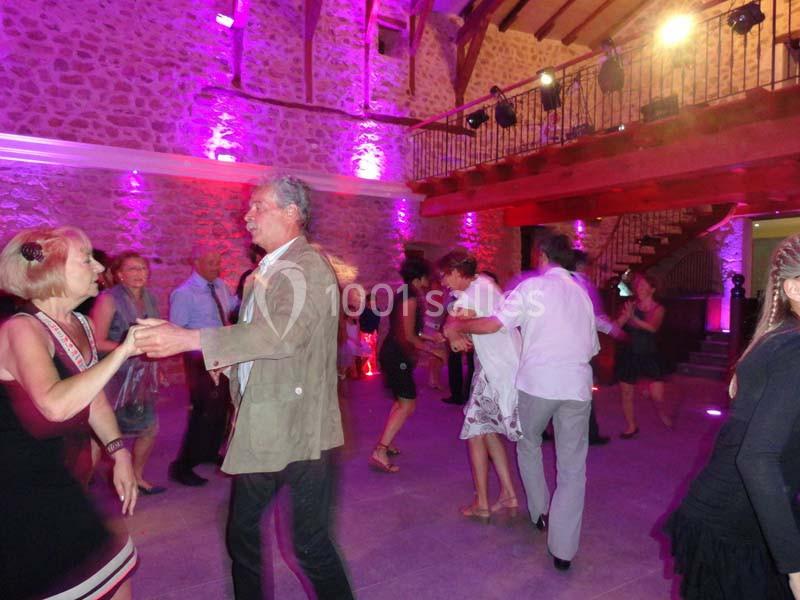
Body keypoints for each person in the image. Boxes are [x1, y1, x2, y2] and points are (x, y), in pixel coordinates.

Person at [134, 176, 353, 600]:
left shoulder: (307, 267)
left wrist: (190, 338)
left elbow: (280, 336)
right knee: (243, 535)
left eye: (258, 206)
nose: (247, 215)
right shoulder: (262, 274)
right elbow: (262, 339)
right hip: (263, 421)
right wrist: (233, 362)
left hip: (300, 429)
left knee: (307, 545)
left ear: (291, 213)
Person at [0, 226, 140, 599]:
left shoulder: (79, 323)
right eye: (86, 259)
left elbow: (92, 397)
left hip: (55, 473)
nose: (99, 267)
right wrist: (124, 350)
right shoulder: (22, 329)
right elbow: (56, 404)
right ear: (52, 272)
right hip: (17, 487)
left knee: (115, 572)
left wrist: (118, 451)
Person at [444, 233, 598, 571]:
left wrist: (458, 324)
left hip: (538, 384)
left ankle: (539, 512)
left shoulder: (532, 288)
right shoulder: (581, 294)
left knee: (528, 445)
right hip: (576, 387)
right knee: (573, 470)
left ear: (541, 256)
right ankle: (563, 551)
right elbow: (591, 346)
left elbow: (494, 324)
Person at [665, 234, 800, 599]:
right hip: (736, 522)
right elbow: (757, 457)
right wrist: (794, 566)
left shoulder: (781, 337)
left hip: (745, 513)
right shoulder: (793, 347)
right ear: (793, 288)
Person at [438, 249, 521, 523]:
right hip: (496, 368)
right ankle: (508, 494)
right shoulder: (480, 285)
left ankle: (482, 504)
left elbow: (455, 322)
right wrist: (453, 332)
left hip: (498, 370)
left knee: (475, 433)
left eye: (445, 275)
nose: (443, 282)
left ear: (456, 272)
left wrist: (453, 332)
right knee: (486, 432)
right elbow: (452, 321)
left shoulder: (476, 292)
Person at [91, 251, 165, 494]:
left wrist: (158, 366)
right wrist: (128, 349)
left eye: (142, 268)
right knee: (102, 434)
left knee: (149, 428)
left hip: (142, 375)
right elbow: (96, 342)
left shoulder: (151, 298)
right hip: (113, 375)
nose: (139, 273)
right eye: (132, 269)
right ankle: (81, 483)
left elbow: (154, 336)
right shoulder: (108, 299)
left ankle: (137, 477)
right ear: (119, 275)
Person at [168, 246, 237, 486]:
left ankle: (208, 452)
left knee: (221, 408)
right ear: (195, 263)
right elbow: (176, 330)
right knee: (202, 412)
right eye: (211, 263)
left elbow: (232, 307)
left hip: (223, 355)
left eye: (218, 262)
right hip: (200, 358)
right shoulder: (184, 293)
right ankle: (182, 466)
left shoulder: (220, 286)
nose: (217, 267)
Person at [369, 256, 444, 473]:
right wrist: (434, 350)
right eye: (427, 278)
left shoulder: (404, 294)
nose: (429, 282)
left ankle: (386, 441)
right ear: (418, 278)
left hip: (395, 354)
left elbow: (409, 331)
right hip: (397, 356)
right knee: (408, 404)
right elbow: (409, 337)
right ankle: (380, 450)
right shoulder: (410, 298)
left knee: (401, 402)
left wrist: (430, 337)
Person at [571, 249, 622, 446]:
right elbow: (592, 317)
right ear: (581, 266)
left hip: (566, 345)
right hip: (580, 346)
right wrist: (613, 329)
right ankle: (589, 432)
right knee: (585, 389)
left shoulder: (563, 284)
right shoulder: (581, 286)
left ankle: (548, 429)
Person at [613, 272, 671, 438]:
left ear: (652, 289)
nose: (640, 288)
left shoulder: (659, 309)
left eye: (644, 286)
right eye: (638, 285)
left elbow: (653, 327)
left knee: (657, 396)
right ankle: (631, 426)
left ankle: (661, 412)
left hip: (649, 354)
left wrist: (634, 318)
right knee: (626, 393)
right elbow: (616, 326)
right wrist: (624, 317)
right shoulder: (631, 305)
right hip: (629, 353)